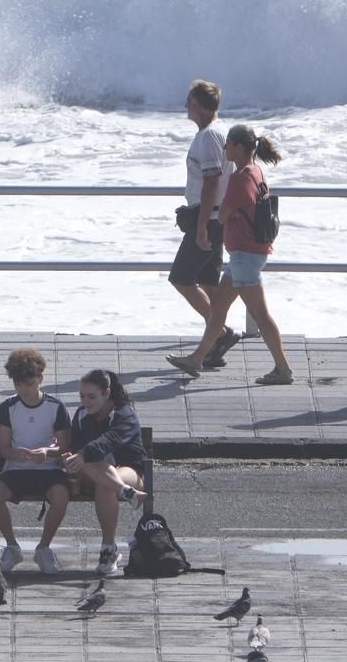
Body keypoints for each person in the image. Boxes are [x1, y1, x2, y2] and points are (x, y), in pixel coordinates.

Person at [168, 125, 295, 385]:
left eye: (228, 145)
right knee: (217, 311)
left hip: (244, 256)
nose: (224, 148)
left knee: (260, 314)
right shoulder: (256, 171)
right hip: (245, 254)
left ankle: (283, 369)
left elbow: (225, 213)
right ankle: (196, 359)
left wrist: (229, 214)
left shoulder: (241, 177)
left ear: (237, 146)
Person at [168, 80, 241, 368]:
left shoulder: (209, 136)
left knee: (181, 278)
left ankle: (220, 334)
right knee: (210, 283)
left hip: (208, 220)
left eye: (189, 101)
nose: (186, 105)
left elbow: (211, 182)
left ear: (198, 105)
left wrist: (199, 228)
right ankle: (217, 338)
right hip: (215, 218)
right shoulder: (218, 132)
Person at [0, 347, 72, 576]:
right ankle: (12, 546)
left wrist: (46, 452)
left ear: (40, 378)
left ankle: (43, 548)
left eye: (30, 383)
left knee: (61, 496)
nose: (25, 389)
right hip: (16, 469)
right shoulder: (7, 408)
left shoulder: (55, 406)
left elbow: (64, 446)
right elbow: (3, 448)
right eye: (19, 384)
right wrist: (15, 454)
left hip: (48, 468)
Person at [61, 368, 149, 576]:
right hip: (91, 471)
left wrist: (81, 455)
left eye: (92, 396)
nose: (86, 401)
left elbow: (110, 441)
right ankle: (127, 494)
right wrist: (70, 458)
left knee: (105, 484)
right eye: (82, 396)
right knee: (93, 468)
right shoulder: (82, 415)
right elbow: (76, 447)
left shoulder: (124, 414)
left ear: (107, 393)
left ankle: (108, 549)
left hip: (129, 469)